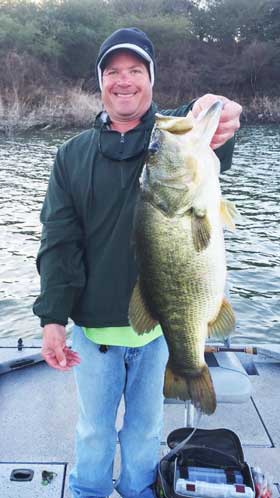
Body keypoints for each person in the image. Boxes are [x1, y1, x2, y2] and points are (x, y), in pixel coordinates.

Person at [33, 27, 242, 498]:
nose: (124, 81)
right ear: (100, 82)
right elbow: (58, 243)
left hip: (158, 335)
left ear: (151, 78)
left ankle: (140, 491)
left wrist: (226, 112)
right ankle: (88, 492)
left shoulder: (172, 138)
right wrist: (51, 319)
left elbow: (213, 135)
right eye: (112, 72)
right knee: (94, 431)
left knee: (145, 432)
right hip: (94, 334)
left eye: (135, 70)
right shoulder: (71, 156)